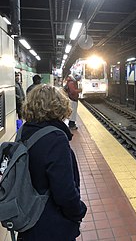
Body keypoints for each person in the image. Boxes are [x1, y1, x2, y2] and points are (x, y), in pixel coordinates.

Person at [17, 84, 87, 241]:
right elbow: (65, 192)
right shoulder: (55, 139)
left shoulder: (24, 131)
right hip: (51, 225)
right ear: (59, 107)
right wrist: (79, 211)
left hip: (28, 218)